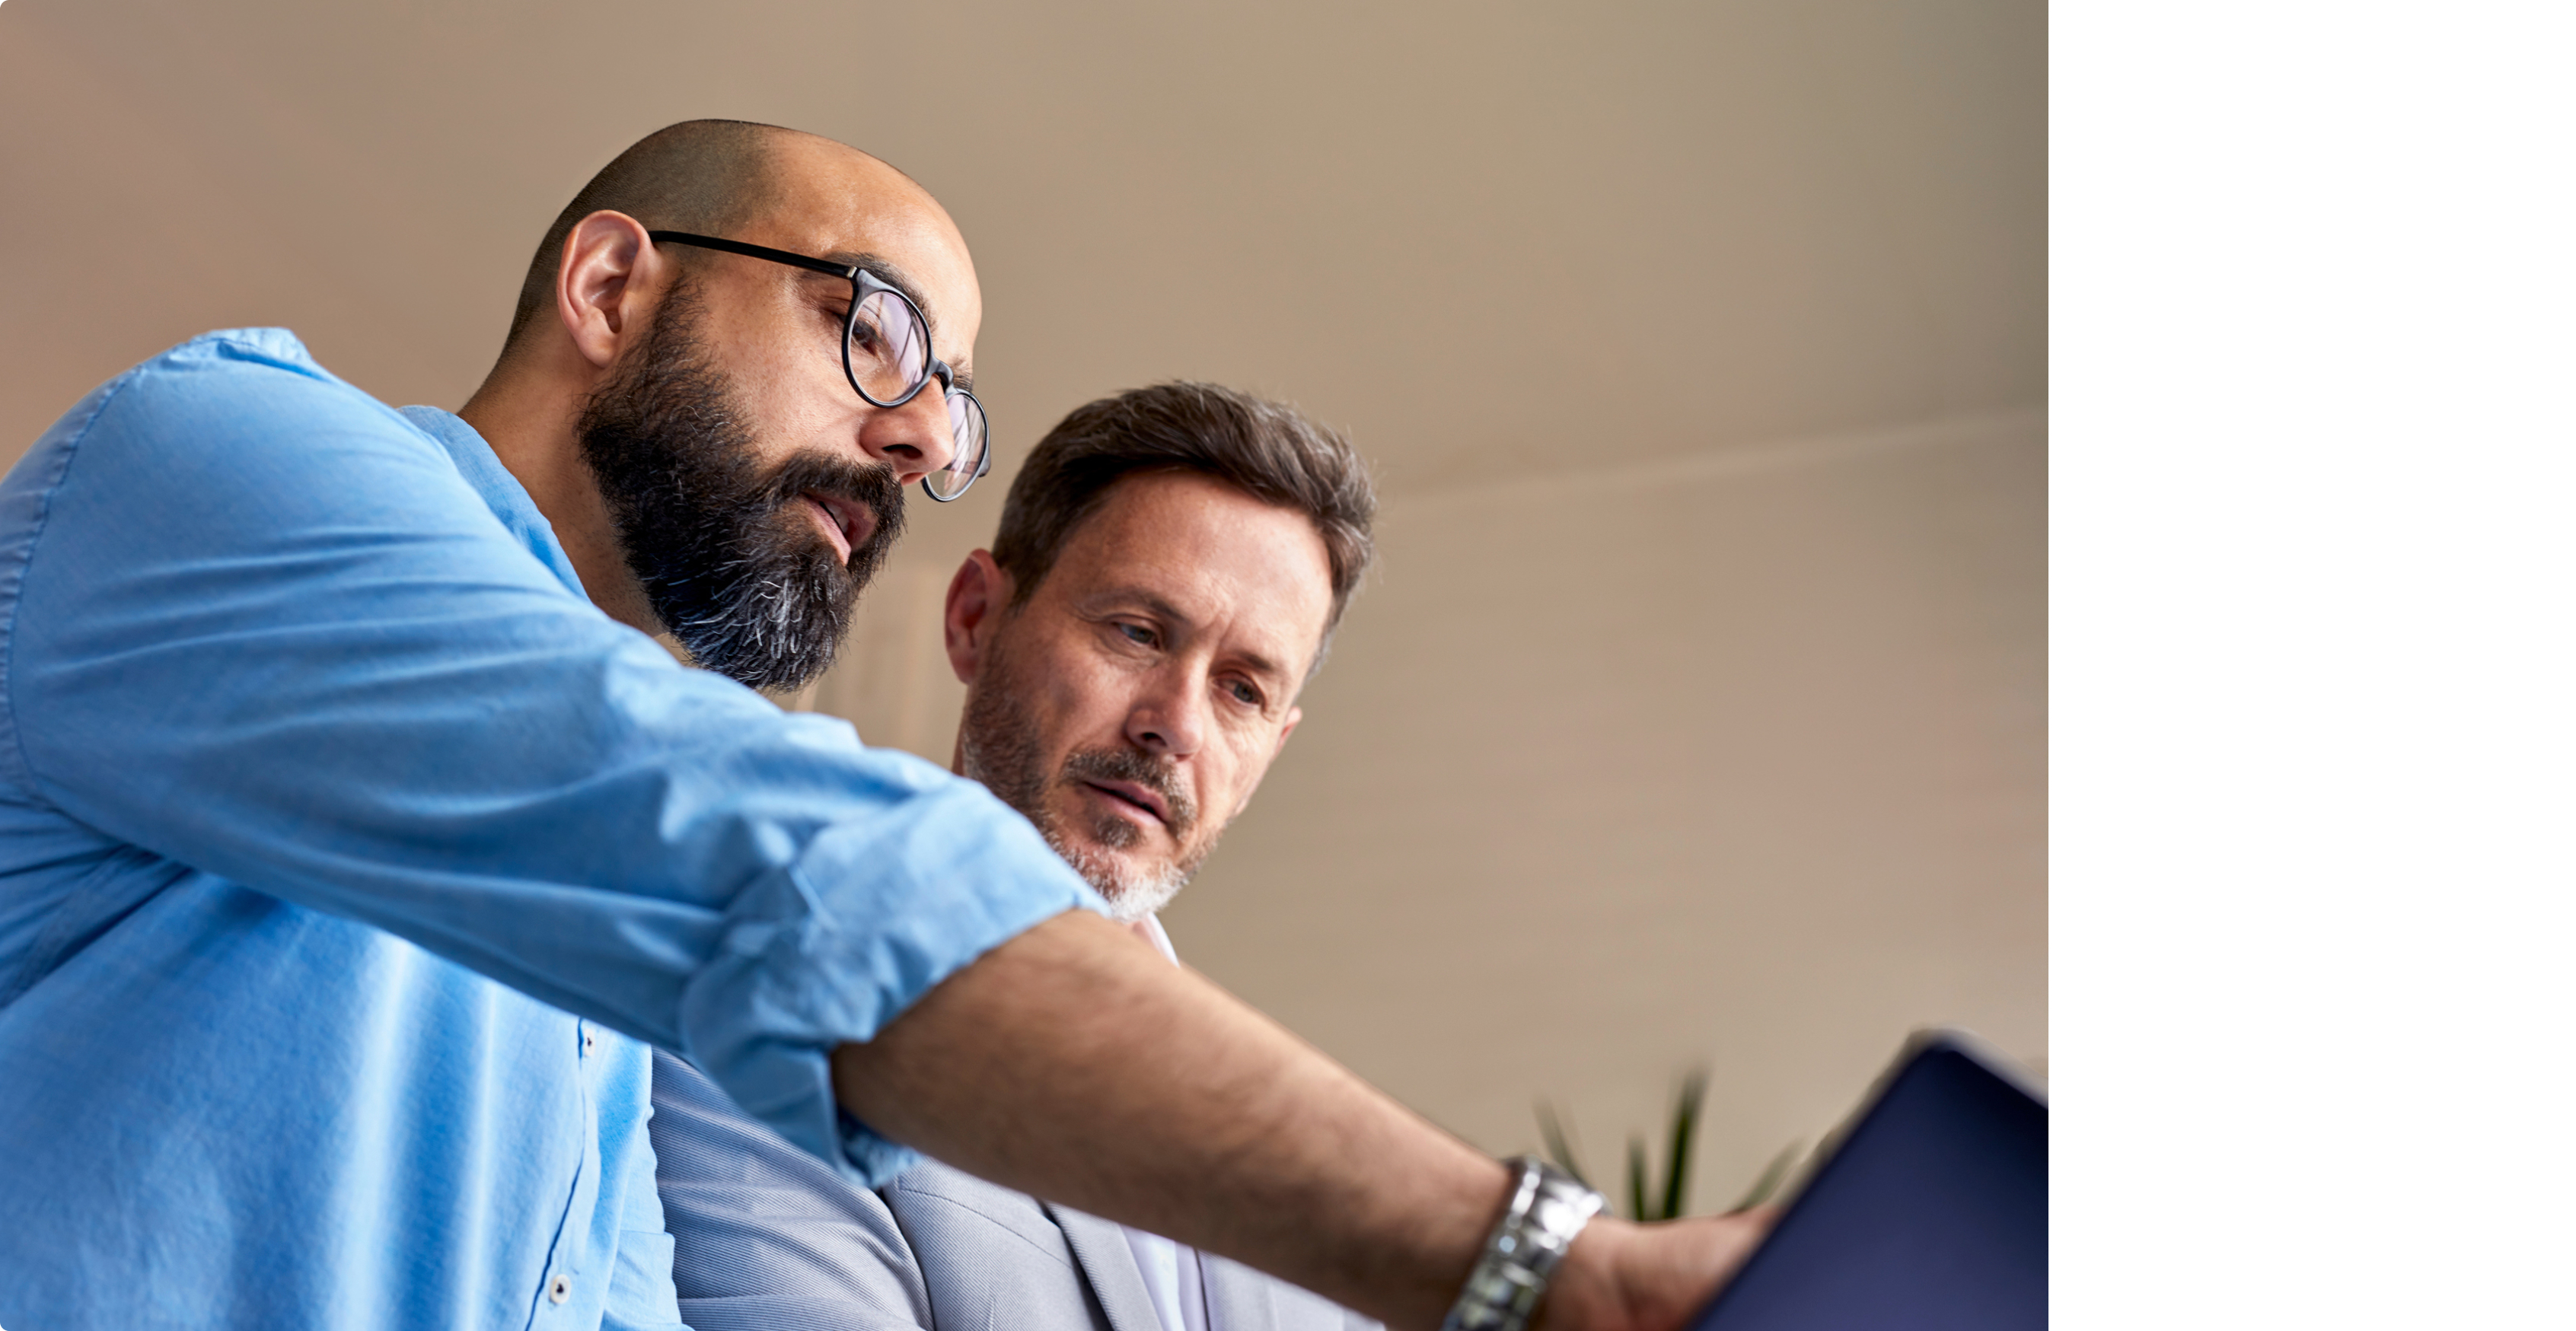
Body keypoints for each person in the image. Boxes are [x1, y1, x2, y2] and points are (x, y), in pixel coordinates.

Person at [0, 119, 1764, 1330]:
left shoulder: (593, 998)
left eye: (956, 407)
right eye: (876, 333)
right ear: (611, 288)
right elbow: (783, 860)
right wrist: (1546, 1267)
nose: (926, 443)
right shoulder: (222, 462)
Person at [652, 381, 1382, 1331]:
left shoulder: (1305, 1172)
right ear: (974, 620)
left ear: (1271, 751)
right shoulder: (766, 1018)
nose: (1175, 725)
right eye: (1138, 633)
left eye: (1242, 690)